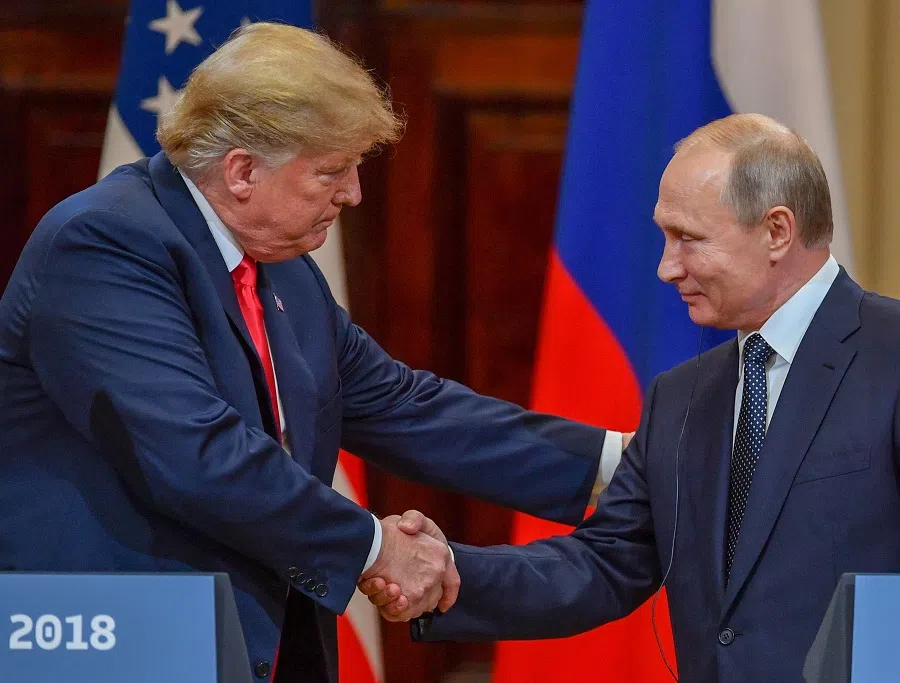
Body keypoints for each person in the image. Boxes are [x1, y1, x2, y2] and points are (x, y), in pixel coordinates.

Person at [0, 23, 627, 683]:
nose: (353, 193)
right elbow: (198, 456)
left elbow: (406, 406)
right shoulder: (104, 244)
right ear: (242, 171)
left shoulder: (286, 272)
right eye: (331, 171)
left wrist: (623, 464)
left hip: (250, 645)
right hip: (116, 646)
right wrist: (376, 548)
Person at [362, 113, 900, 682]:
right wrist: (446, 573)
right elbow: (603, 562)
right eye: (664, 236)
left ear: (776, 231)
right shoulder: (685, 395)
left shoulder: (889, 357)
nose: (666, 268)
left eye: (688, 238)